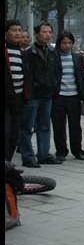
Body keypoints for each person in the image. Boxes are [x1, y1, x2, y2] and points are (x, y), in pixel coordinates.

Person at [20, 22, 60, 168]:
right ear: (37, 34)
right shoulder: (29, 53)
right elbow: (27, 75)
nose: (47, 35)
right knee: (27, 127)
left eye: (50, 32)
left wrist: (54, 87)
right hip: (32, 96)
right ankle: (28, 157)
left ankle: (43, 155)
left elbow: (57, 72)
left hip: (47, 95)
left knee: (44, 126)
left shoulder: (53, 52)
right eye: (44, 32)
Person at [52, 32, 84, 162]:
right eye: (64, 43)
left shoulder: (77, 58)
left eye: (69, 43)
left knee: (75, 126)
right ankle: (61, 151)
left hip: (74, 96)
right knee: (59, 126)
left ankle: (77, 151)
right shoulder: (53, 57)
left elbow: (81, 77)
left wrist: (83, 94)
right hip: (58, 97)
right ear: (59, 44)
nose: (66, 45)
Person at [5, 21, 28, 162]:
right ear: (6, 33)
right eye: (14, 30)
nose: (18, 33)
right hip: (6, 99)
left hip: (19, 99)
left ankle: (8, 163)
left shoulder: (22, 53)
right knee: (6, 131)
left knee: (15, 133)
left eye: (20, 30)